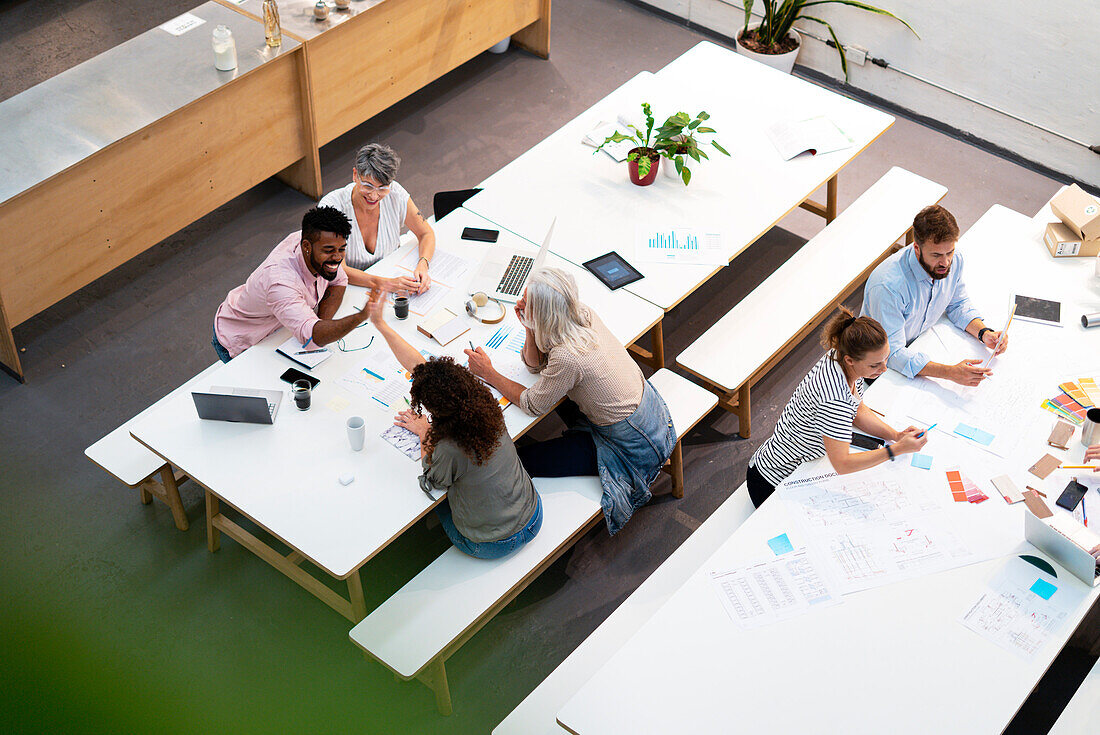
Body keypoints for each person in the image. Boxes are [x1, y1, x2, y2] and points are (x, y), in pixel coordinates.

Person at [464, 267, 675, 535]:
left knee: (523, 458)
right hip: (652, 415)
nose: (521, 303)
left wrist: (488, 373)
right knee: (559, 403)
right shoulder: (581, 313)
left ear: (545, 312)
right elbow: (534, 365)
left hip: (631, 444)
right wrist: (530, 327)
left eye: (528, 302)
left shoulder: (567, 357)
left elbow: (532, 404)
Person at [366, 290, 541, 559]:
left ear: (435, 410)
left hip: (493, 544)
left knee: (436, 499)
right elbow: (421, 369)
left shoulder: (448, 447)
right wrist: (381, 324)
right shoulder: (488, 409)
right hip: (533, 514)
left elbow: (432, 479)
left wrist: (425, 431)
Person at [746, 308, 928, 507]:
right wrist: (895, 450)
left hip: (801, 465)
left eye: (886, 358)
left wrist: (896, 435)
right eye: (875, 365)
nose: (884, 369)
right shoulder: (833, 399)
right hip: (776, 481)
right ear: (851, 360)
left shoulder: (843, 359)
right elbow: (842, 463)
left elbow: (857, 410)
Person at [862, 204, 1007, 387]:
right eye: (937, 255)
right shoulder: (888, 287)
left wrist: (984, 333)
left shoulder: (955, 260)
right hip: (876, 369)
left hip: (920, 345)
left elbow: (958, 304)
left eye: (950, 252)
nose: (945, 262)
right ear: (916, 248)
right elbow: (892, 354)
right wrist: (950, 373)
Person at [211, 206, 372, 362]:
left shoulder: (314, 242)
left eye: (341, 249)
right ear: (307, 246)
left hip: (279, 329)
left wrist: (323, 323)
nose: (337, 257)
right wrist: (360, 317)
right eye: (329, 250)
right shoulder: (281, 282)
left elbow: (339, 281)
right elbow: (312, 337)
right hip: (245, 341)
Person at [318, 142, 435, 293]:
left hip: (390, 277)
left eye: (382, 188)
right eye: (368, 186)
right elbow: (338, 270)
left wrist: (423, 264)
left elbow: (426, 233)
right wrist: (385, 283)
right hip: (349, 289)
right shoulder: (331, 207)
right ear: (355, 175)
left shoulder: (395, 193)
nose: (374, 195)